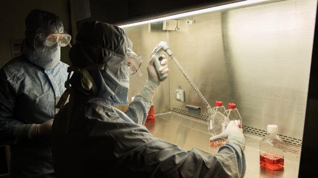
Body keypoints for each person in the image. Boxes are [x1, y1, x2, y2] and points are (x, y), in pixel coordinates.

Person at [52, 21, 246, 178]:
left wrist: (151, 86)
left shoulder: (71, 112)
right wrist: (235, 143)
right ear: (102, 67)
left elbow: (122, 131)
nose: (127, 72)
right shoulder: (103, 129)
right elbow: (209, 172)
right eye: (125, 64)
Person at [0, 9, 71, 177]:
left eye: (60, 39)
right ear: (34, 38)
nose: (55, 45)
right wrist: (37, 130)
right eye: (50, 39)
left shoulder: (68, 71)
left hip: (69, 162)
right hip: (33, 169)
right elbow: (1, 126)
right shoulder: (10, 75)